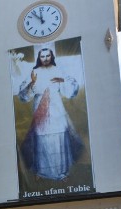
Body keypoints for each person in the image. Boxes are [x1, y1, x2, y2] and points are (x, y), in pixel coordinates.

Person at [18, 47, 83, 181]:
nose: (46, 58)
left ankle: (62, 172)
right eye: (43, 56)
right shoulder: (34, 72)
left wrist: (62, 81)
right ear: (39, 58)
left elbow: (71, 89)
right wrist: (32, 83)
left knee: (59, 138)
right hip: (40, 110)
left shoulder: (58, 70)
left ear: (51, 56)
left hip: (56, 109)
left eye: (48, 56)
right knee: (42, 140)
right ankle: (41, 172)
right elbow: (23, 96)